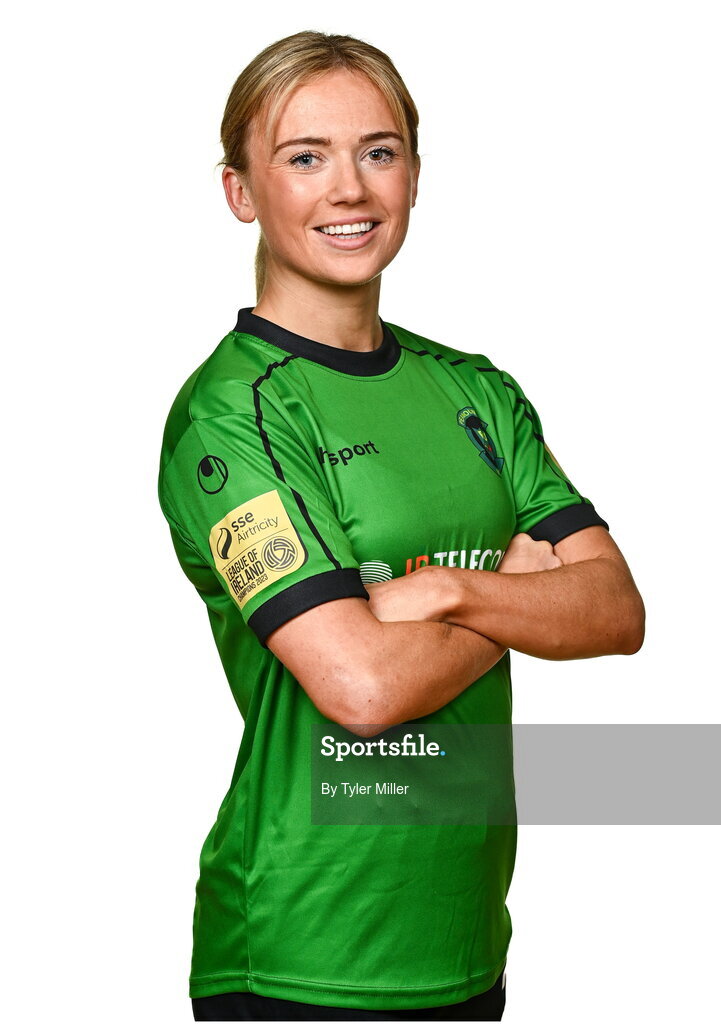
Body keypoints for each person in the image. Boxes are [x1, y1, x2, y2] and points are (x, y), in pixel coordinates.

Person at [157, 29, 645, 1023]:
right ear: (240, 190)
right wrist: (521, 596)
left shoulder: (476, 390)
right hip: (301, 955)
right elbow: (362, 686)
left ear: (414, 176)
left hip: (463, 942)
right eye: (305, 158)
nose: (349, 189)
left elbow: (615, 610)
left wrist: (455, 591)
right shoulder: (234, 413)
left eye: (378, 152)